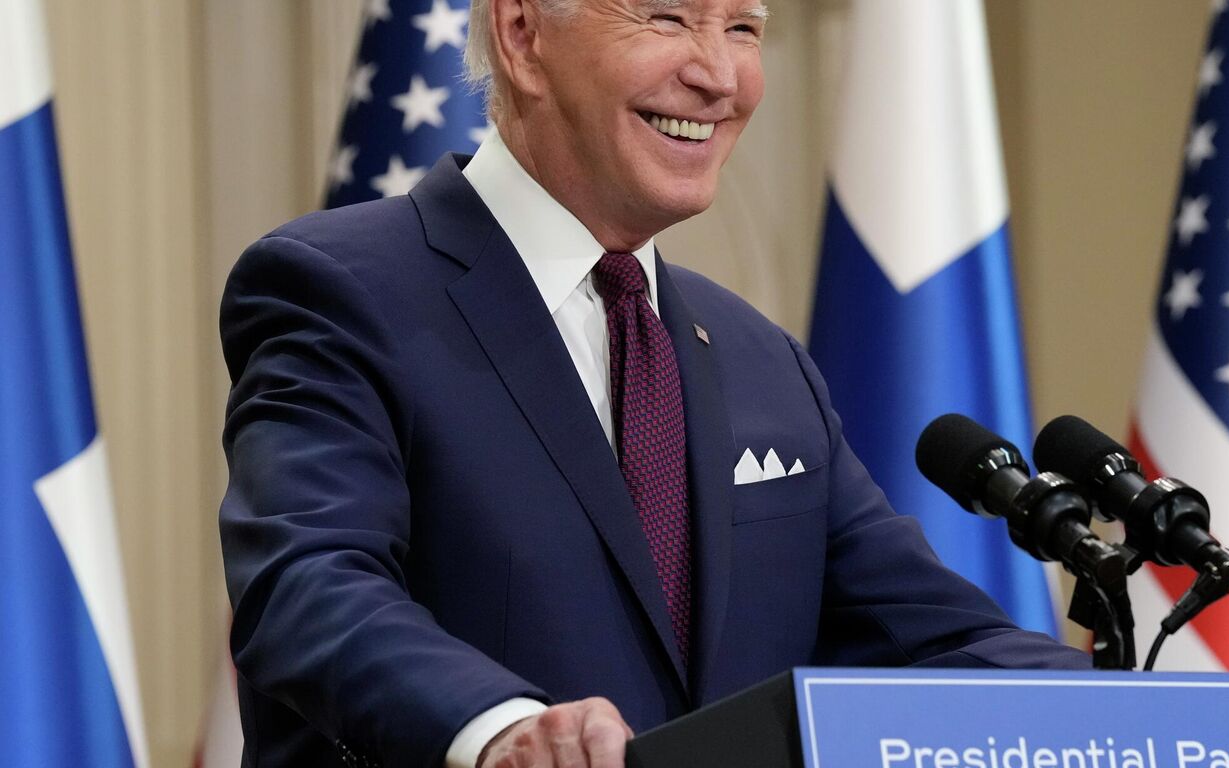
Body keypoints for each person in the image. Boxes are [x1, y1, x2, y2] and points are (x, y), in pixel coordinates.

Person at [216, 0, 1088, 765]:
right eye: (667, 17)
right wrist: (498, 727)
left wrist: (1154, 717)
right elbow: (305, 583)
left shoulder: (762, 360)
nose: (719, 76)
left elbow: (943, 639)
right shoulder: (341, 289)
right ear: (522, 33)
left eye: (743, 27)